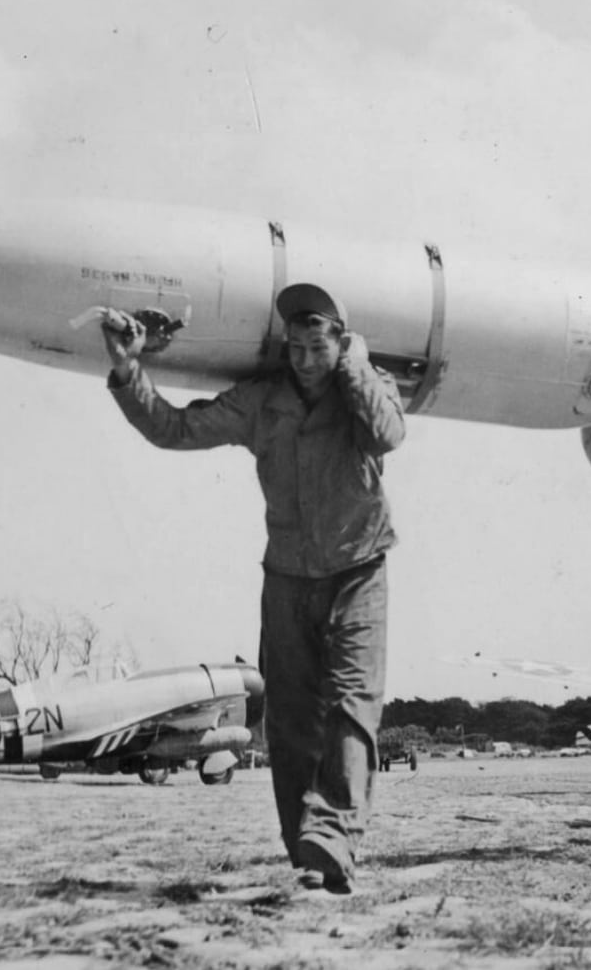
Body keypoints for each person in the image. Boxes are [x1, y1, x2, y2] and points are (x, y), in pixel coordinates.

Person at [102, 283, 405, 893]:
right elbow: (174, 429)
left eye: (317, 344)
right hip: (288, 580)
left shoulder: (364, 389)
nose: (301, 356)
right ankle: (309, 852)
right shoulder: (262, 402)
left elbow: (387, 435)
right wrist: (127, 368)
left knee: (352, 705)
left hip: (358, 571)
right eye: (293, 344)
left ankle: (334, 837)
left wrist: (355, 365)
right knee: (290, 723)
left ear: (341, 344)